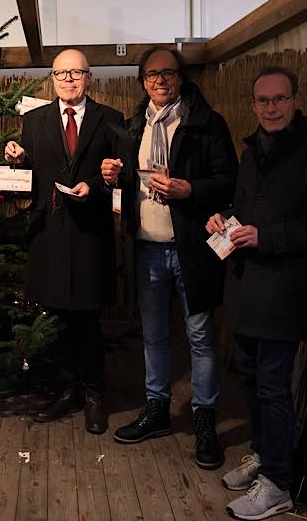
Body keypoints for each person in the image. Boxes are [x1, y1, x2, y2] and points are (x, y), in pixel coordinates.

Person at [207, 67, 307, 520]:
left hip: (285, 293)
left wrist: (265, 237)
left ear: (296, 99)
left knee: (272, 387)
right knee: (248, 380)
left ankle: (278, 484)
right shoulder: (251, 153)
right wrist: (221, 217)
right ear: (253, 105)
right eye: (263, 101)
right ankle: (264, 454)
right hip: (246, 290)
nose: (271, 108)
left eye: (280, 99)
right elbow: (244, 207)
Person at [104, 47, 238, 470]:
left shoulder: (205, 123)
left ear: (181, 78)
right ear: (142, 81)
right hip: (145, 247)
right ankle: (158, 409)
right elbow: (128, 181)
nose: (160, 80)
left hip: (193, 249)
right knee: (154, 335)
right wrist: (113, 177)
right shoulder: (132, 127)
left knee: (200, 336)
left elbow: (229, 181)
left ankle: (203, 419)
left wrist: (190, 190)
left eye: (168, 73)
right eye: (152, 74)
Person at [4, 48, 124, 434]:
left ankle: (93, 395)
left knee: (88, 318)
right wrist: (15, 156)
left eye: (76, 73)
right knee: (55, 318)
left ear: (89, 77)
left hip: (91, 234)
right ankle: (65, 390)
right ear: (51, 80)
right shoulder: (34, 121)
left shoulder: (111, 121)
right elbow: (25, 172)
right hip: (49, 234)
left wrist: (101, 186)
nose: (69, 80)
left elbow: (123, 184)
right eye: (61, 74)